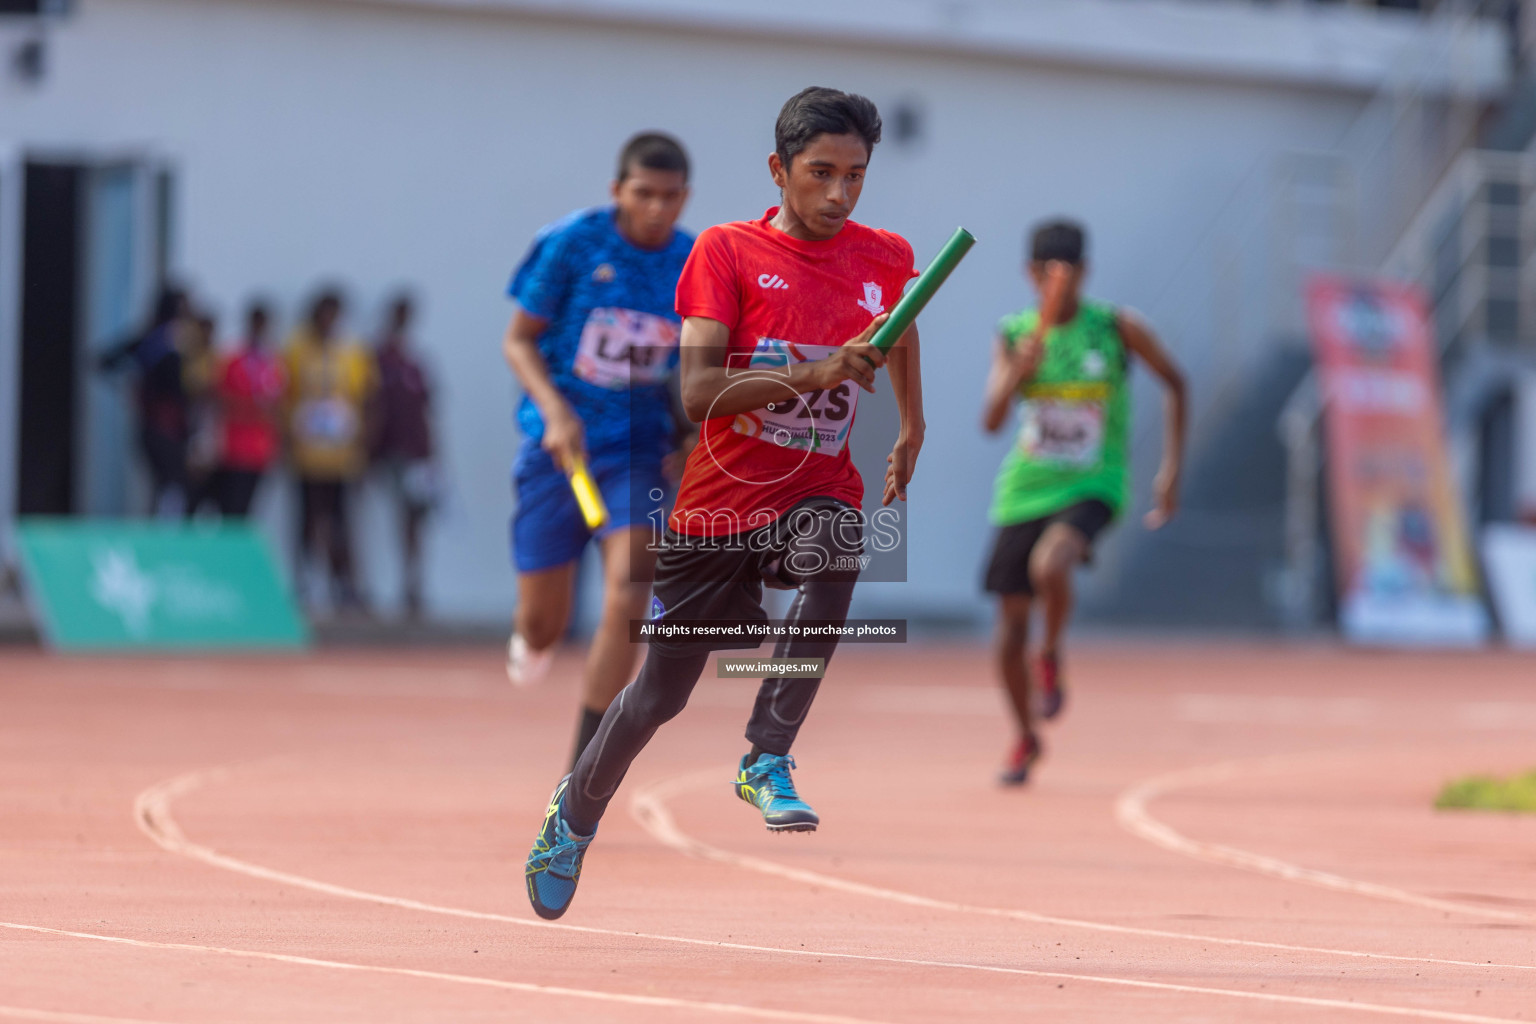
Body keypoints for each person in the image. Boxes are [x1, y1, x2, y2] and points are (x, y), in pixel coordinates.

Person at [523, 87, 924, 920]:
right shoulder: (726, 251)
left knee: (844, 544)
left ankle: (767, 755)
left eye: (856, 176)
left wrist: (912, 425)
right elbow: (699, 390)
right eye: (821, 174)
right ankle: (574, 816)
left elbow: (902, 322)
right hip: (716, 512)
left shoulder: (883, 254)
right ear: (779, 170)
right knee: (657, 698)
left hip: (812, 493)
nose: (840, 195)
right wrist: (814, 373)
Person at [501, 132, 694, 769]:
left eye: (670, 197)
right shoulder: (572, 245)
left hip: (639, 452)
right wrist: (555, 413)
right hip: (558, 451)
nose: (657, 209)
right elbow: (519, 341)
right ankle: (531, 639)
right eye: (644, 195)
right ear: (617, 191)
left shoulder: (694, 264)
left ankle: (583, 771)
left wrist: (692, 436)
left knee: (631, 589)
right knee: (543, 625)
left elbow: (705, 365)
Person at [980, 220, 1186, 785]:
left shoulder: (1116, 328)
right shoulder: (1016, 333)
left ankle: (1050, 655)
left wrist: (1169, 470)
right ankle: (1024, 737)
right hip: (1025, 488)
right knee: (1008, 626)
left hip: (1094, 483)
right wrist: (1016, 373)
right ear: (1031, 275)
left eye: (1067, 275)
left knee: (1052, 564)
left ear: (1082, 275)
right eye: (1046, 274)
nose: (1056, 286)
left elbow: (1176, 382)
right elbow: (992, 420)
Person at [284, 288, 377, 613]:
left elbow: (365, 397)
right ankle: (303, 581)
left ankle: (344, 585)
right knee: (307, 520)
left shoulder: (351, 351)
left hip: (341, 455)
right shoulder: (297, 348)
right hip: (307, 454)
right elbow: (285, 393)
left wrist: (364, 442)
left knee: (341, 523)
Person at [100, 286, 192, 518]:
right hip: (165, 427)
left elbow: (105, 362)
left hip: (149, 426)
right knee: (173, 485)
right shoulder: (166, 344)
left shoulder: (147, 340)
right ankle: (164, 539)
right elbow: (178, 394)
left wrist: (131, 386)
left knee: (163, 486)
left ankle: (160, 534)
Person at [373, 292, 438, 619]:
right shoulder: (379, 359)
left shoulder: (415, 363)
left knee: (415, 520)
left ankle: (412, 585)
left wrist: (434, 455)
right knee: (394, 517)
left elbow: (428, 410)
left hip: (417, 455)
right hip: (389, 453)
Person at [190, 301, 286, 518]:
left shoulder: (272, 362)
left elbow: (276, 406)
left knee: (246, 511)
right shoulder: (232, 360)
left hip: (260, 450)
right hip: (232, 449)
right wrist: (252, 408)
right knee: (229, 509)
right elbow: (220, 399)